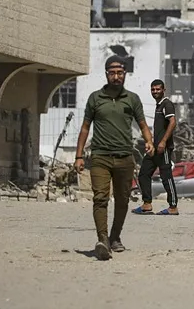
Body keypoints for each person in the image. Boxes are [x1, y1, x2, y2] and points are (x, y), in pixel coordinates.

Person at [74, 56, 155, 261]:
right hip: (100, 156)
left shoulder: (132, 99)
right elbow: (85, 128)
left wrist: (149, 141)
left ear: (125, 74)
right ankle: (103, 240)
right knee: (100, 198)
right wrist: (79, 155)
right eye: (112, 73)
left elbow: (143, 124)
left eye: (120, 73)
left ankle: (115, 236)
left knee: (122, 200)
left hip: (125, 158)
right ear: (107, 74)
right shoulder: (95, 98)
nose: (116, 76)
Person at [132, 79, 179, 216]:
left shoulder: (167, 104)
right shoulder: (159, 106)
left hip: (163, 148)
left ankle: (173, 207)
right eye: (153, 89)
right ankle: (147, 204)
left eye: (158, 89)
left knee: (166, 176)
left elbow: (172, 122)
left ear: (164, 90)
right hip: (155, 148)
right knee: (144, 173)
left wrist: (163, 142)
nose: (155, 92)